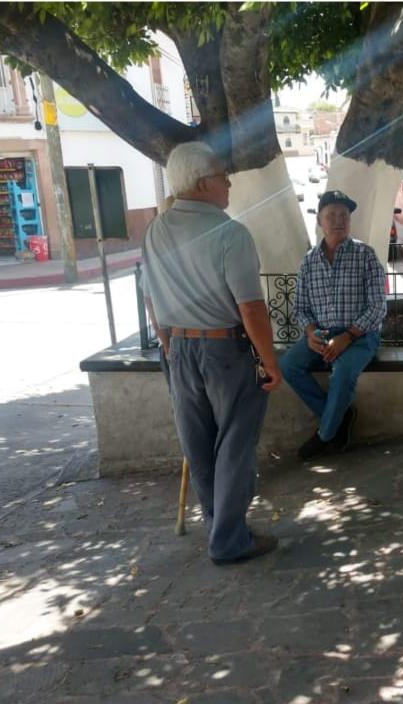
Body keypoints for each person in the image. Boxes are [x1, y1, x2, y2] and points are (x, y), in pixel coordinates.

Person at [142, 141, 282, 566]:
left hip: (179, 349)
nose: (228, 184)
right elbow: (251, 308)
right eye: (223, 176)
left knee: (199, 446)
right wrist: (270, 363)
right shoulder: (230, 233)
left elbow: (150, 298)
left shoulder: (155, 230)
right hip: (225, 350)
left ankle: (219, 526)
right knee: (235, 445)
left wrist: (169, 343)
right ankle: (228, 540)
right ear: (204, 183)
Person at [281, 189, 387, 461]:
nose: (338, 220)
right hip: (322, 335)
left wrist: (347, 337)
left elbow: (378, 306)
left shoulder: (365, 255)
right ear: (319, 221)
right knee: (288, 366)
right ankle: (341, 415)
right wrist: (310, 334)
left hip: (361, 336)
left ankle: (325, 435)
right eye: (331, 215)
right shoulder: (308, 262)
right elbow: (301, 308)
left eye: (344, 215)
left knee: (341, 374)